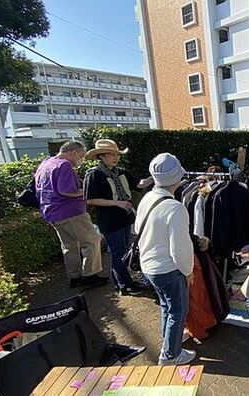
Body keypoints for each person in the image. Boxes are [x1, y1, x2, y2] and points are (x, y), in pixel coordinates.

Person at [136, 153, 196, 365]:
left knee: (166, 305)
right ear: (178, 178)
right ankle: (170, 355)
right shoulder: (175, 208)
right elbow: (180, 249)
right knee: (178, 310)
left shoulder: (148, 198)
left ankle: (171, 339)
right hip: (168, 268)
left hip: (149, 264)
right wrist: (188, 272)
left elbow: (137, 229)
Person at [34, 140, 108, 289]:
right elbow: (66, 191)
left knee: (69, 246)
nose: (79, 161)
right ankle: (90, 276)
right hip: (70, 212)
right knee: (92, 240)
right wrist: (86, 193)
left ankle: (75, 277)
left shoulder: (46, 163)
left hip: (52, 212)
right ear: (73, 153)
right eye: (79, 156)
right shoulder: (64, 165)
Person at [84, 139, 147, 296]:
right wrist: (116, 203)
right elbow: (90, 199)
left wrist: (157, 177)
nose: (115, 157)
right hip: (110, 221)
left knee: (123, 251)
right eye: (111, 154)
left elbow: (139, 184)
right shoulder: (94, 174)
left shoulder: (121, 171)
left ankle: (120, 283)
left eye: (116, 154)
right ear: (101, 156)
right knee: (118, 253)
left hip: (125, 218)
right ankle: (125, 285)